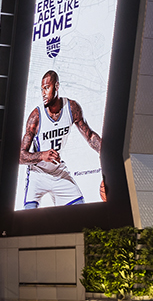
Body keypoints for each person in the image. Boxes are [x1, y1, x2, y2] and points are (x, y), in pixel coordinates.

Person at [18, 69, 101, 208]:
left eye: (47, 88)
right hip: (37, 174)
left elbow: (90, 135)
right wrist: (42, 155)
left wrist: (106, 152)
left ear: (56, 86)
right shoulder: (36, 116)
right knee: (29, 215)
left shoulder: (72, 108)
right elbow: (20, 156)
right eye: (42, 89)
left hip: (58, 171)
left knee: (81, 211)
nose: (43, 93)